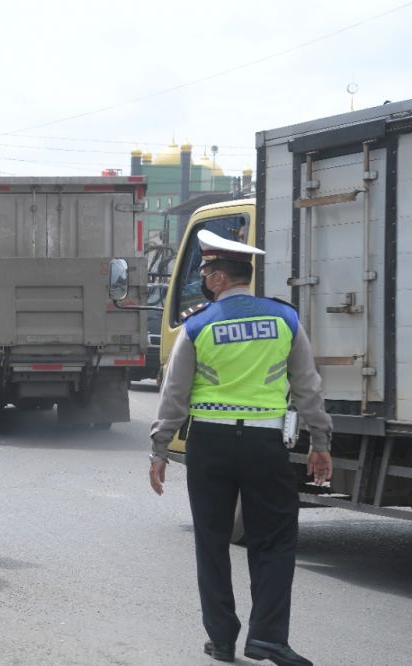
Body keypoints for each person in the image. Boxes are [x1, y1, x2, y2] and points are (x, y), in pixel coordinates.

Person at [149, 230, 333, 666]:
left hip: (209, 445)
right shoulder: (285, 320)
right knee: (273, 539)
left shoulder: (197, 324)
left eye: (205, 272)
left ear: (216, 278)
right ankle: (268, 638)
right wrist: (320, 442)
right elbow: (308, 389)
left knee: (211, 542)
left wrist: (159, 449)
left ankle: (223, 639)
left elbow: (174, 395)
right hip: (264, 443)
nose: (203, 280)